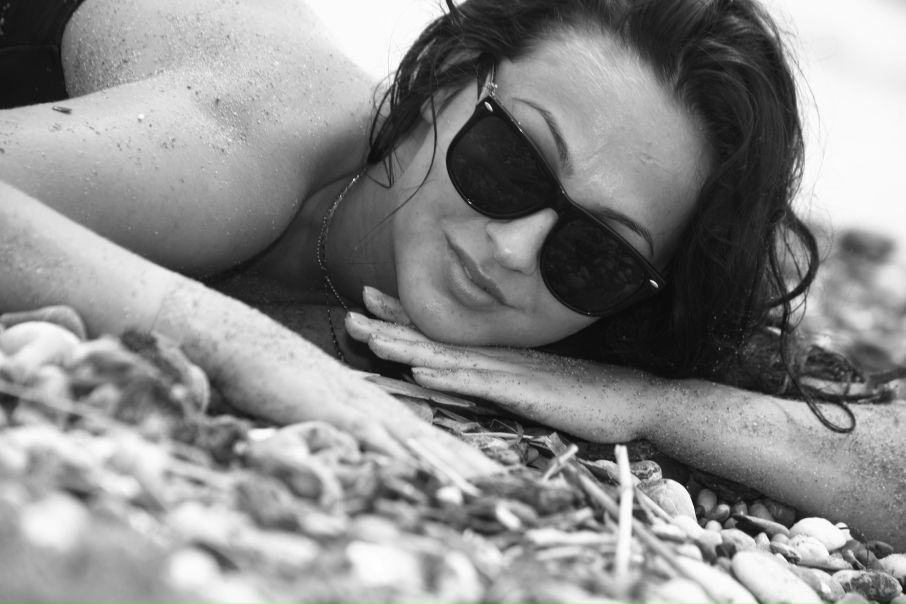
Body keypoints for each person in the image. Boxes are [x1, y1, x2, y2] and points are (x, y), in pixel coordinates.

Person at [0, 0, 903, 546]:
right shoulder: (242, 137)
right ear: (450, 80)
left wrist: (652, 406)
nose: (513, 249)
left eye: (594, 256)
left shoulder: (599, 334)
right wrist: (226, 339)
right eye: (511, 162)